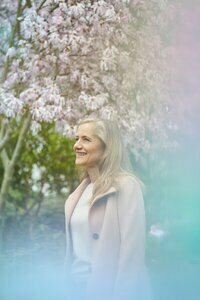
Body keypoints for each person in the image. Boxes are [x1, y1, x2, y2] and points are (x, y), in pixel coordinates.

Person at [64, 118, 152, 300]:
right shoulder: (78, 194)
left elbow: (132, 258)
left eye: (86, 139)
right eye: (76, 139)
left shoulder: (127, 186)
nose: (77, 146)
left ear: (107, 147)